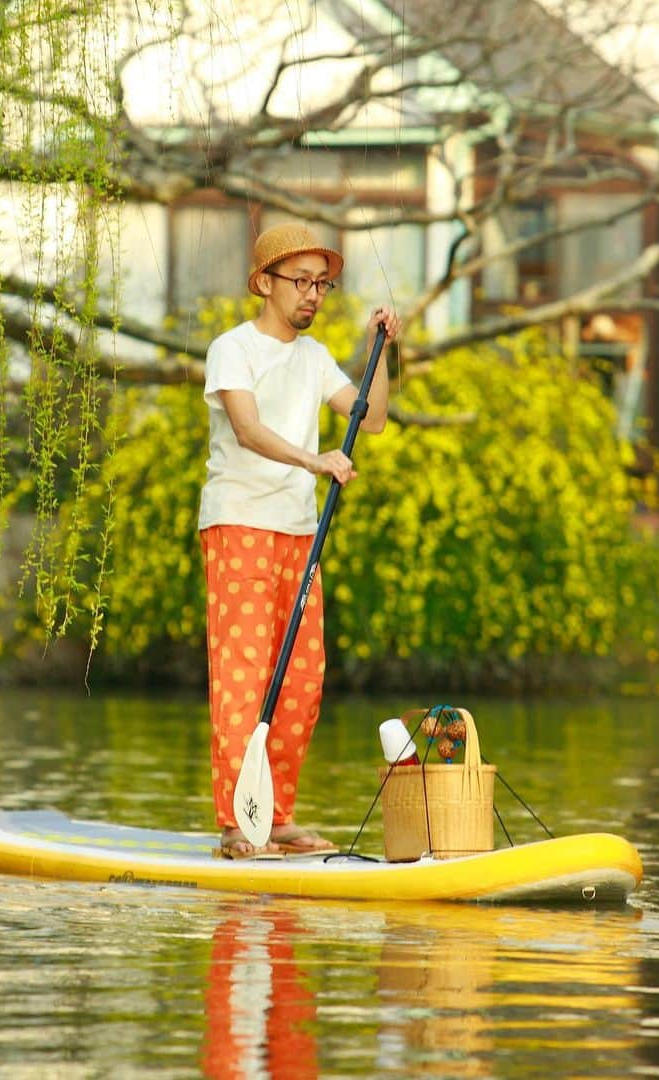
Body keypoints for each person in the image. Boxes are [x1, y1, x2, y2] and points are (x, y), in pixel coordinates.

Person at [199, 222, 402, 858]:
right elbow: (248, 429)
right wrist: (315, 462)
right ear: (265, 283)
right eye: (302, 282)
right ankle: (239, 822)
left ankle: (274, 814)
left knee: (303, 678)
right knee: (245, 672)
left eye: (323, 284)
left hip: (297, 534)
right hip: (238, 524)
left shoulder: (315, 359)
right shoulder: (232, 349)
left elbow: (373, 419)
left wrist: (383, 350)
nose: (313, 295)